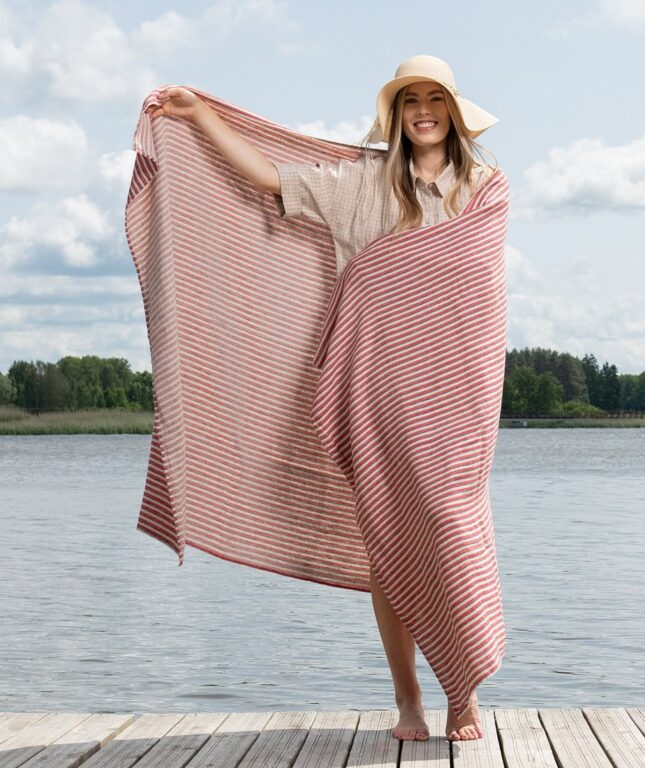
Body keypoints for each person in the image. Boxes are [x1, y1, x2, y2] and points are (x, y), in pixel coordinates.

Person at [149, 54, 501, 743]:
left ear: (454, 112)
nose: (423, 110)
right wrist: (201, 117)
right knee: (386, 543)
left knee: (450, 522)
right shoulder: (359, 185)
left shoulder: (484, 188)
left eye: (435, 98)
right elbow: (268, 179)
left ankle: (464, 687)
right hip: (374, 386)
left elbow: (481, 297)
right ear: (396, 115)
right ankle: (409, 700)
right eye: (409, 101)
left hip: (456, 388)